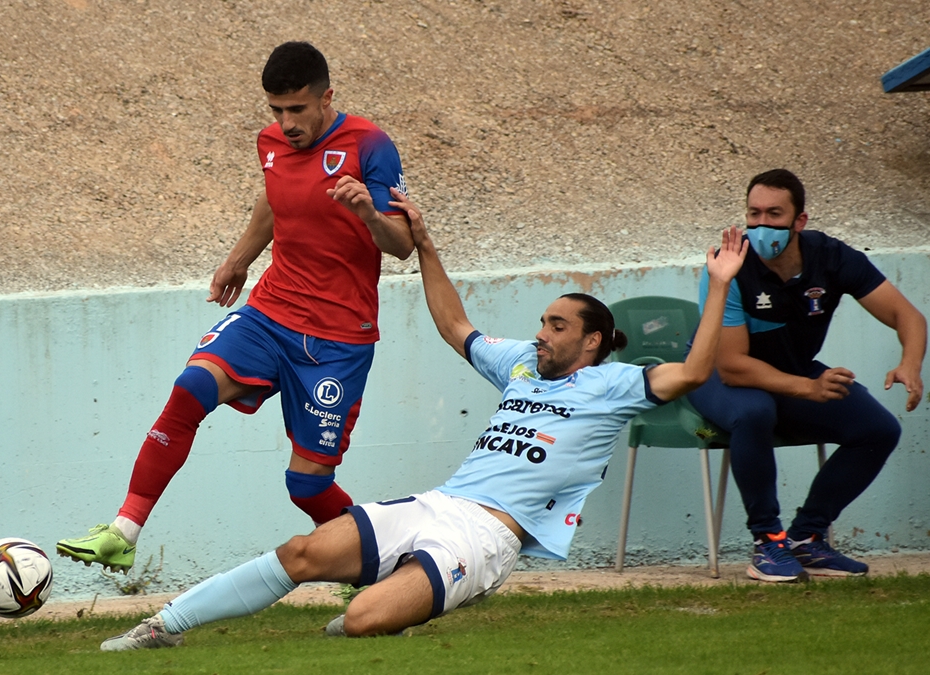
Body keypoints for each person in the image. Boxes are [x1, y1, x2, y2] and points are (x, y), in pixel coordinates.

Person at [94, 191, 748, 650]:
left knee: (362, 618)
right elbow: (455, 324)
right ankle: (162, 625)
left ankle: (417, 596)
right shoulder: (521, 363)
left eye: (556, 325)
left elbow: (694, 372)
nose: (541, 333)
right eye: (543, 322)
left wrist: (719, 284)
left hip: (488, 536)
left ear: (593, 341)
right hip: (439, 501)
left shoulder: (617, 384)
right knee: (300, 553)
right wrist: (427, 244)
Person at [56, 42, 414, 573]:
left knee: (307, 485)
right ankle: (123, 532)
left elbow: (402, 244)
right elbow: (273, 199)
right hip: (271, 311)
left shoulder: (371, 145)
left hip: (338, 338)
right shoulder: (270, 143)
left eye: (297, 109)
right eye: (276, 110)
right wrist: (237, 261)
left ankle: (387, 565)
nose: (286, 124)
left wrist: (368, 213)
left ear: (326, 98)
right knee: (190, 389)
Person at [687, 169, 926, 583]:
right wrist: (808, 387)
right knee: (755, 412)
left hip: (791, 372)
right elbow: (733, 366)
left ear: (799, 220)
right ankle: (767, 542)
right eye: (754, 213)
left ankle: (807, 537)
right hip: (716, 376)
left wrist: (910, 363)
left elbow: (908, 316)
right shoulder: (729, 266)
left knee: (878, 430)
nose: (761, 224)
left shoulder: (832, 257)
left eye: (774, 214)